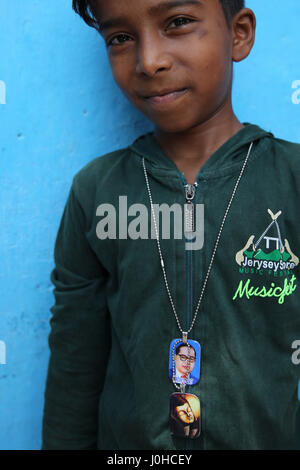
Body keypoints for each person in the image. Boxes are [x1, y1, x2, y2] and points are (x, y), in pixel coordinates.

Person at [42, 0, 300, 450]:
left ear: (238, 34)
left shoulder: (292, 180)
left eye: (177, 23)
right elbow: (74, 366)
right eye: (120, 38)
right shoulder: (97, 192)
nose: (149, 60)